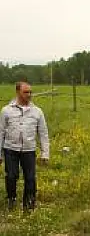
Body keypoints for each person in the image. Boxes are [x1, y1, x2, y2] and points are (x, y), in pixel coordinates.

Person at [0, 81, 50, 211]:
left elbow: (43, 133)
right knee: (11, 176)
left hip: (29, 149)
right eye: (26, 92)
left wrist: (45, 153)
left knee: (30, 178)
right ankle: (11, 199)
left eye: (30, 92)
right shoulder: (6, 111)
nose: (29, 95)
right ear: (18, 92)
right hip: (10, 148)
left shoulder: (37, 112)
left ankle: (29, 203)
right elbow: (1, 132)